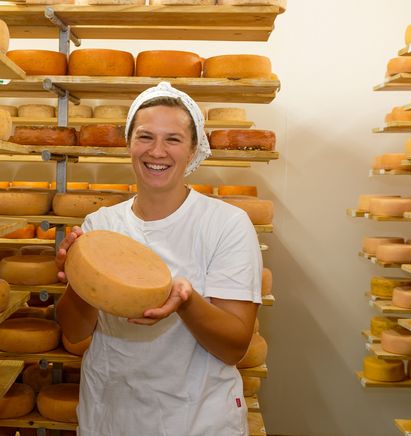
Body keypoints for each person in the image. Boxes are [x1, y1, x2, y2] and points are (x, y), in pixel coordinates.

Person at [55, 82, 263, 435]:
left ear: (193, 148)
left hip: (196, 415)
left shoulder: (226, 224)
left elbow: (234, 347)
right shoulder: (100, 225)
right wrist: (80, 278)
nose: (157, 151)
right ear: (129, 143)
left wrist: (186, 301)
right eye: (145, 136)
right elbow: (74, 332)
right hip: (112, 411)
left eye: (173, 139)